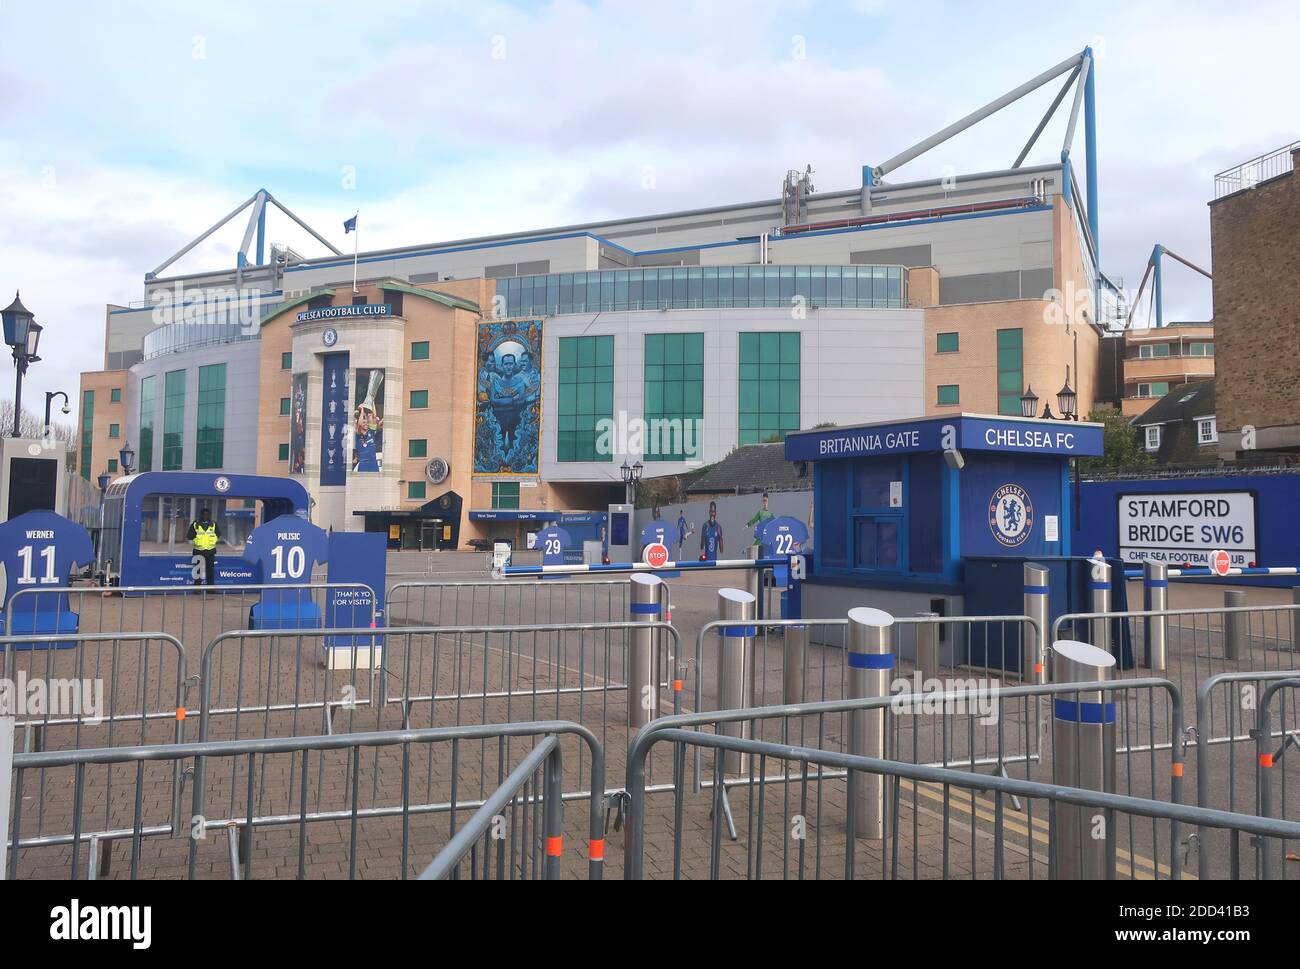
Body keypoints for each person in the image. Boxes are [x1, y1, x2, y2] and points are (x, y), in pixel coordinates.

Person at [186, 506, 220, 586]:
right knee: (197, 572)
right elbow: (189, 536)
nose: (206, 516)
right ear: (201, 515)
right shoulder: (195, 524)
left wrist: (214, 539)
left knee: (210, 571)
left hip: (210, 550)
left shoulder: (213, 524)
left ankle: (210, 589)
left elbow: (218, 534)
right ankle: (197, 588)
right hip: (198, 550)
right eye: (204, 514)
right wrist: (196, 539)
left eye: (207, 514)